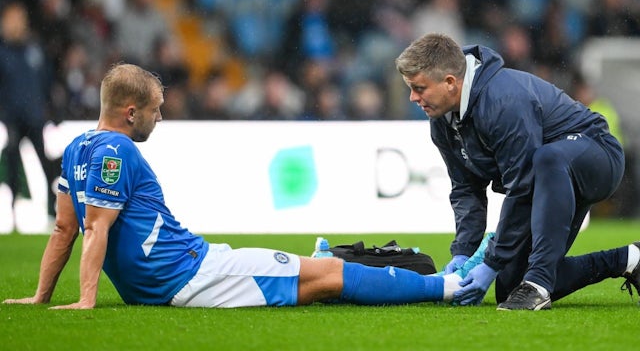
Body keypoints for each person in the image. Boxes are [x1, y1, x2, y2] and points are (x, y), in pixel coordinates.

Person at [3, 63, 469, 309]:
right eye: (155, 110)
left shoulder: (78, 148)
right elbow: (94, 230)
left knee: (314, 284)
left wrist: (42, 296)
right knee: (325, 280)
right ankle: (448, 286)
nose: (160, 118)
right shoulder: (118, 152)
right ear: (131, 113)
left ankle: (339, 257)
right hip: (194, 274)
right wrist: (85, 300)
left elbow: (65, 229)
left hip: (177, 278)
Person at [395, 33, 640, 311]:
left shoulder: (502, 100)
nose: (413, 97)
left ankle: (538, 286)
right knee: (510, 287)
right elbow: (466, 189)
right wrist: (463, 252)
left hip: (597, 154)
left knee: (546, 159)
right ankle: (629, 259)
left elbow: (522, 186)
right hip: (548, 177)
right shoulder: (442, 121)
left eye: (419, 88)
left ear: (450, 82)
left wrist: (490, 262)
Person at [0, 1, 57, 224]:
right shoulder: (3, 53)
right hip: (12, 118)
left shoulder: (35, 50)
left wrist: (50, 110)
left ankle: (52, 209)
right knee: (12, 164)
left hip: (35, 118)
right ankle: (12, 212)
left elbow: (47, 81)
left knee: (45, 164)